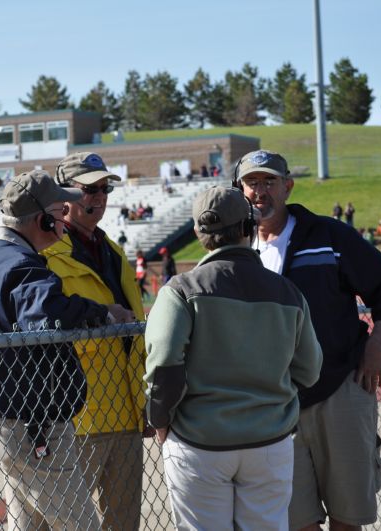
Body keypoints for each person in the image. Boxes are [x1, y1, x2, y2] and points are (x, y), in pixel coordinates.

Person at [235, 149, 381, 531]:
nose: (260, 191)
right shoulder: (235, 250)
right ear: (239, 189)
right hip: (273, 404)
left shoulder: (328, 235)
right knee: (294, 520)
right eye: (252, 183)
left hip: (340, 389)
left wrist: (377, 344)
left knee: (348, 517)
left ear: (288, 186)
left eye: (269, 181)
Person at [144, 186, 323, 530]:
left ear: (198, 233)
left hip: (200, 440)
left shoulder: (181, 290)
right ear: (248, 228)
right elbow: (310, 370)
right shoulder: (288, 292)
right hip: (269, 439)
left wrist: (160, 416)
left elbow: (164, 363)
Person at [0, 169, 133, 530]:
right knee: (82, 523)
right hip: (32, 422)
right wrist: (102, 313)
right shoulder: (20, 264)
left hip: (13, 414)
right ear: (42, 218)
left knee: (29, 524)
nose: (64, 218)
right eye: (59, 211)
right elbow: (47, 311)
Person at [42, 152, 149, 530]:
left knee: (123, 522)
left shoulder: (113, 251)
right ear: (64, 194)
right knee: (67, 523)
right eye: (89, 189)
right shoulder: (47, 256)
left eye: (104, 188)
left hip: (124, 410)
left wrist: (143, 401)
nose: (99, 197)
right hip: (75, 417)